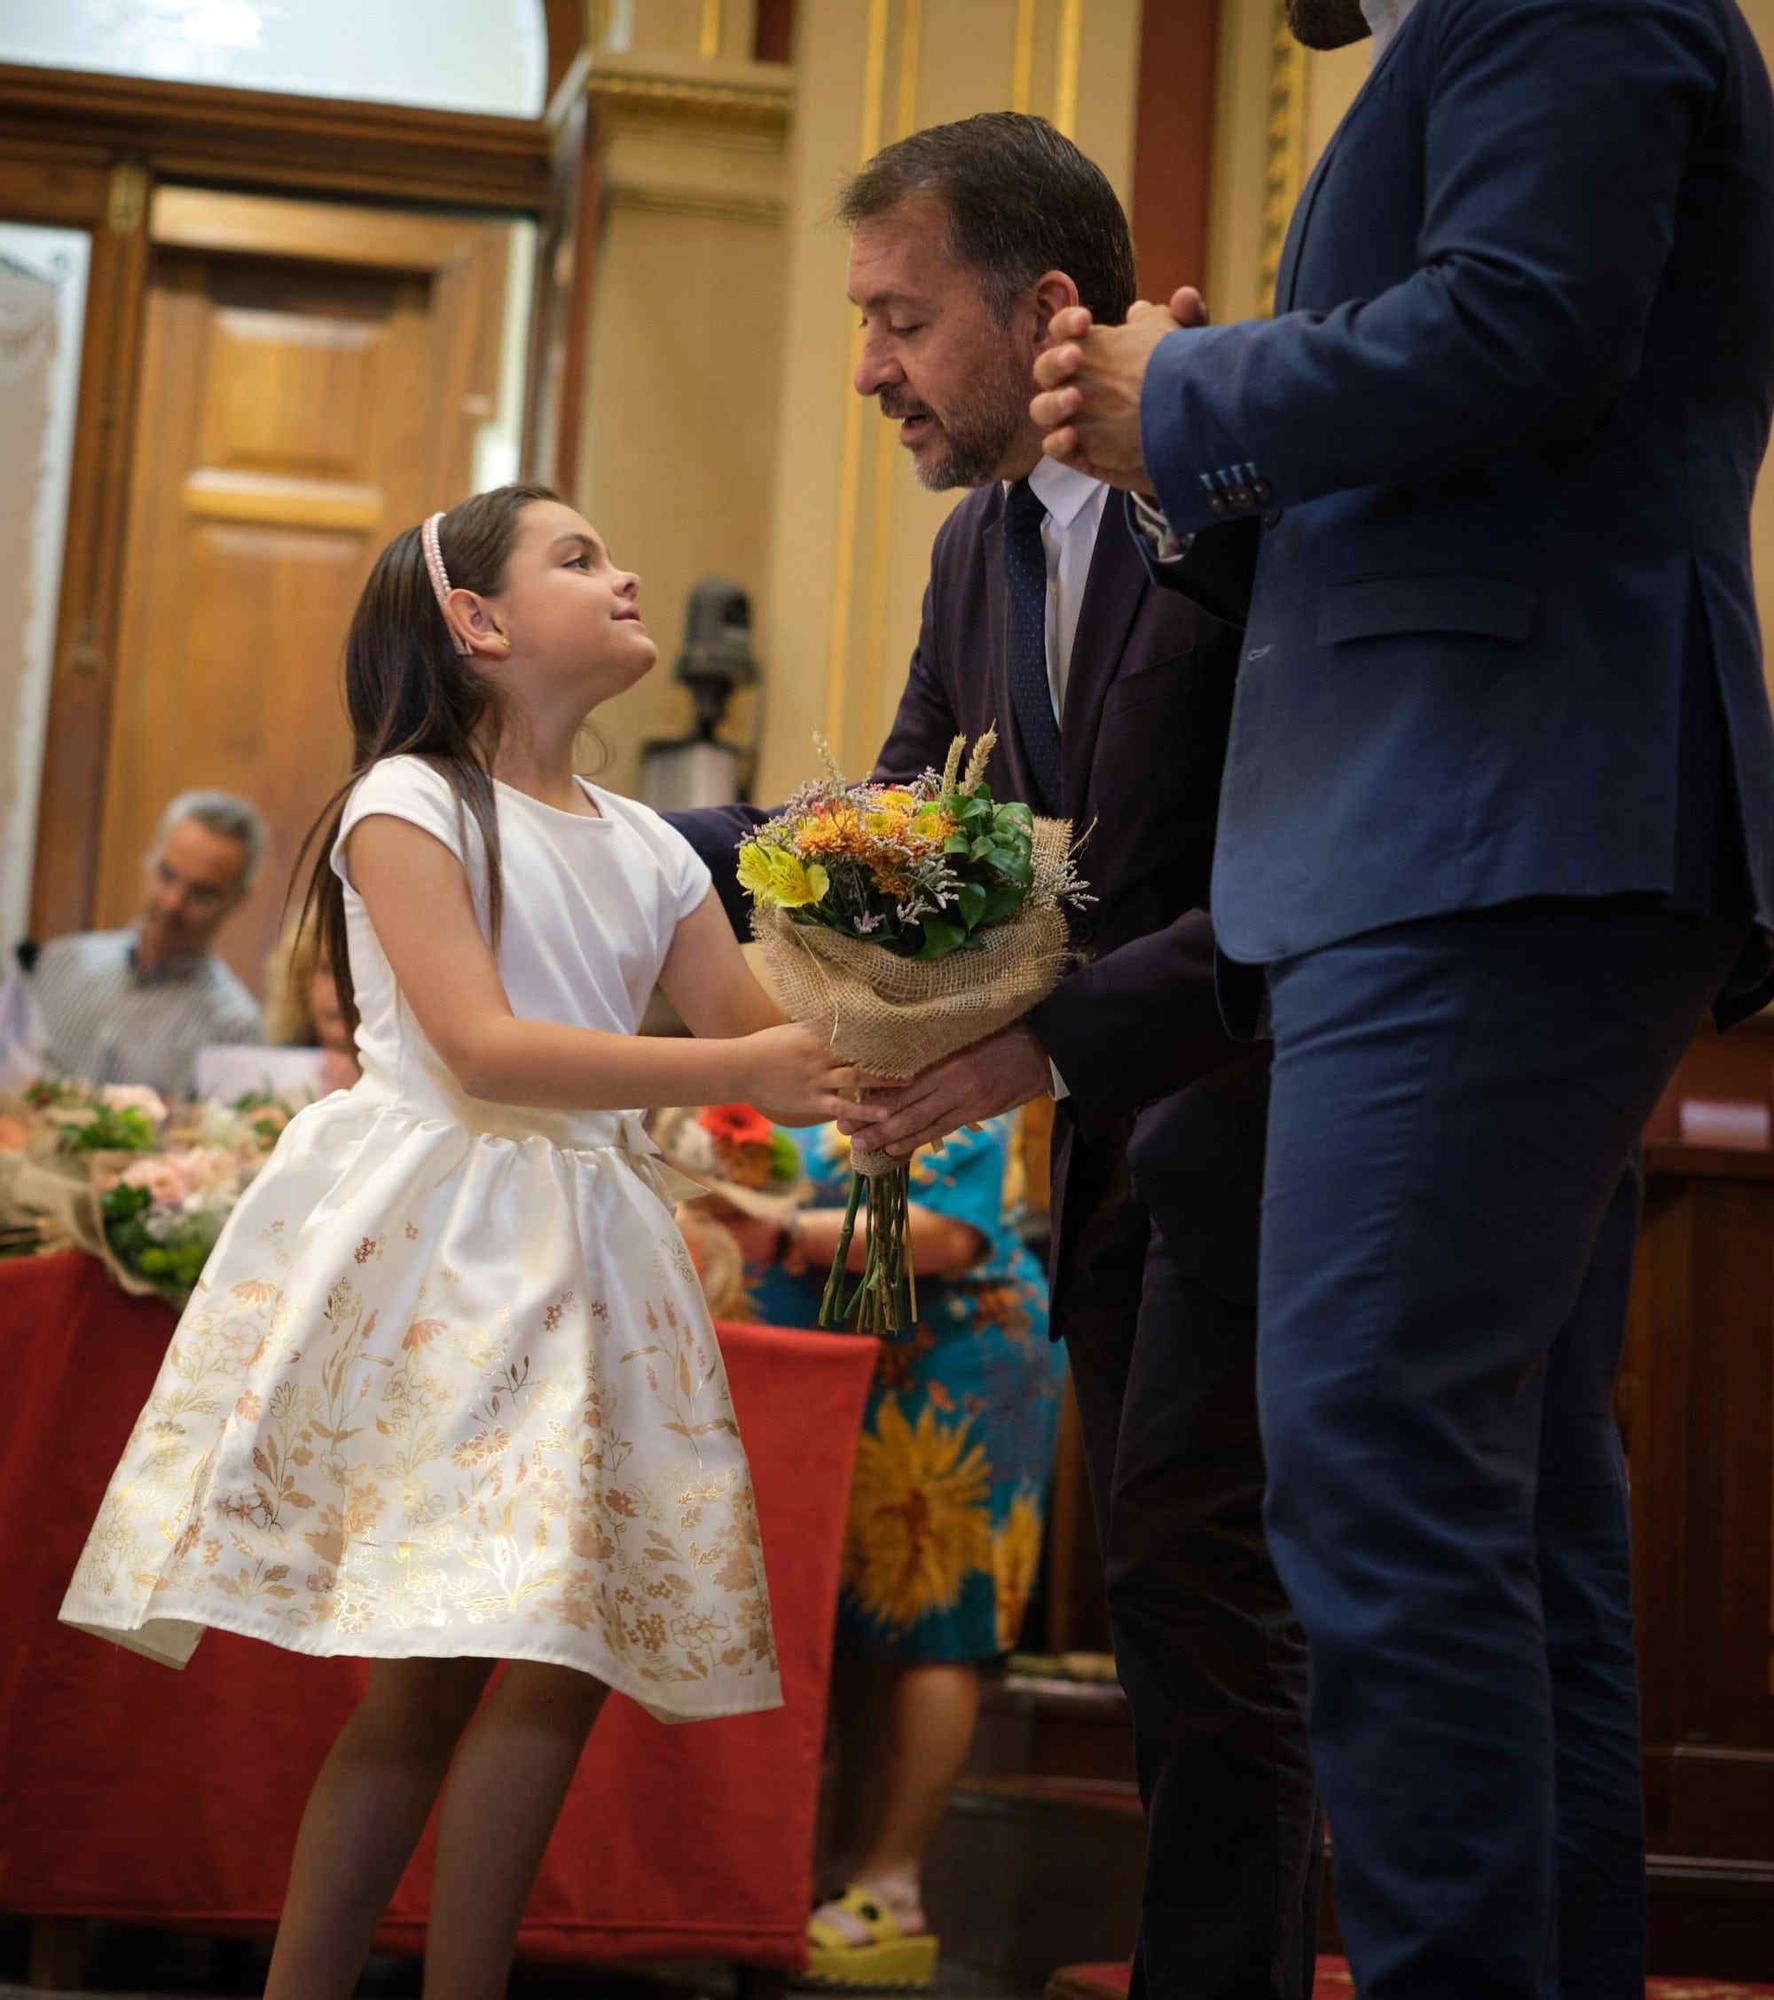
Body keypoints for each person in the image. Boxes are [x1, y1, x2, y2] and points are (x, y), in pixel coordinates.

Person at [1029, 5, 1774, 1996]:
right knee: (1494, 1493)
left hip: (1492, 807)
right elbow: (1469, 405)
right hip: (1467, 808)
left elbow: (1520, 327)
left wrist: (1186, 390)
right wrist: (1190, 436)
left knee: (1372, 1448)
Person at [675, 114, 1322, 2000]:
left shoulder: (1227, 504)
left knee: (1223, 1614)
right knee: (1175, 1618)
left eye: (897, 317)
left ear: (1045, 305)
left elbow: (1270, 873)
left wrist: (1025, 1050)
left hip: (1285, 1136)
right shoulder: (972, 553)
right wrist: (624, 843)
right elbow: (893, 826)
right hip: (1114, 1172)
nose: (866, 367)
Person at [59, 484, 858, 2000]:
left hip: (594, 1258)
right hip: (455, 1250)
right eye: (579, 558)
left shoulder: (649, 848)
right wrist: (735, 1076)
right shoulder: (405, 803)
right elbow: (487, 1050)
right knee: (432, 1666)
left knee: (559, 1647)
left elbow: (767, 1041)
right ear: (478, 625)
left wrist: (917, 1015)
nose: (626, 574)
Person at [670, 1106, 1062, 1987]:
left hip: (954, 1350)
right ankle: (840, 1866)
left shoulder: (948, 1045)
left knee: (934, 1617)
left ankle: (895, 1879)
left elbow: (948, 1237)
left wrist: (777, 1237)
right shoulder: (780, 1045)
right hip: (831, 1353)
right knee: (842, 1614)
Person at [17, 790, 264, 1098]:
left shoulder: (234, 1029)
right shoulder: (59, 963)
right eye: (167, 875)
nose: (173, 902)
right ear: (149, 861)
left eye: (202, 893)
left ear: (239, 901)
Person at [263, 917, 361, 1094]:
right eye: (328, 970)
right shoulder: (269, 1068)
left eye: (355, 973)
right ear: (301, 979)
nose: (341, 990)